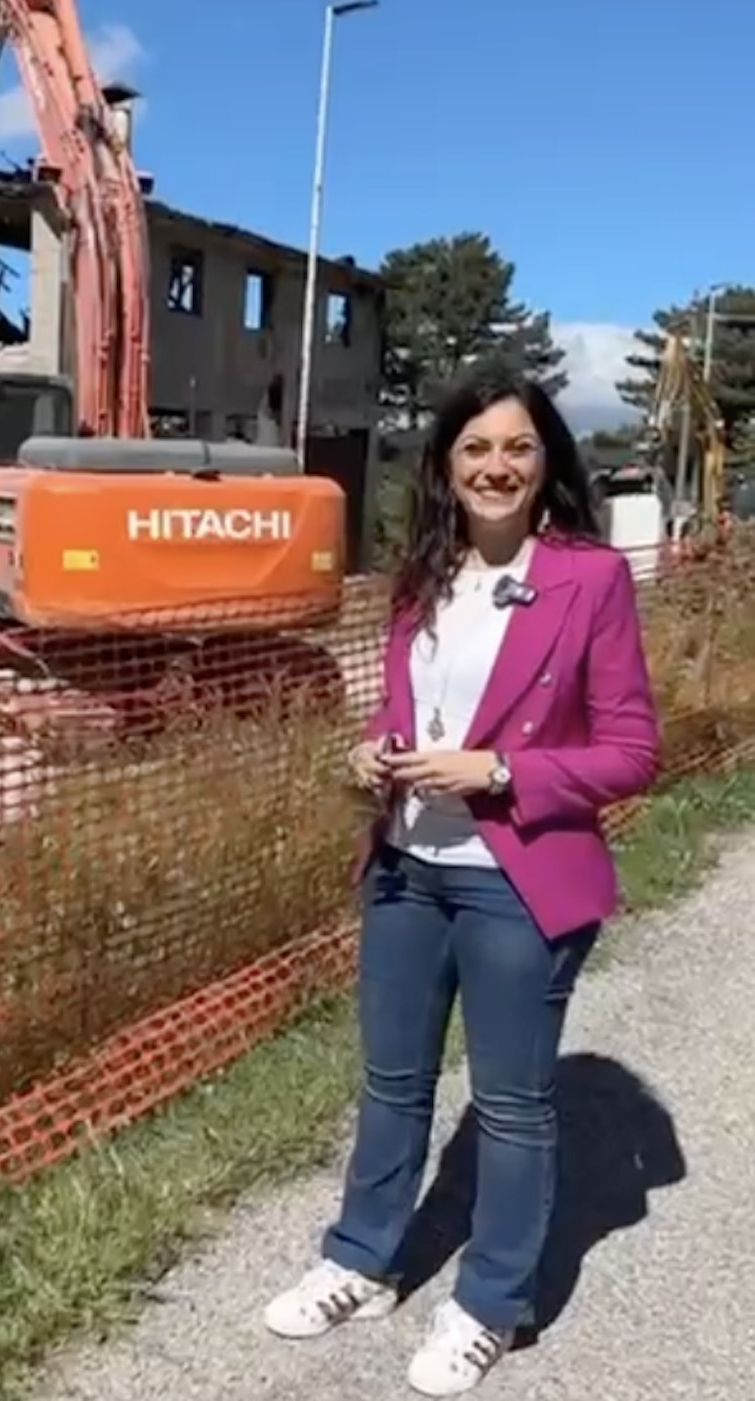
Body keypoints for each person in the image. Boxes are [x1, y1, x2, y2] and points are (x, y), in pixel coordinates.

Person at [264, 368, 660, 1396]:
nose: (496, 466)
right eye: (475, 448)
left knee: (514, 1105)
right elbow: (400, 711)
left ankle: (492, 1302)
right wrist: (371, 752)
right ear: (446, 465)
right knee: (391, 1084)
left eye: (517, 448)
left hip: (515, 885)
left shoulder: (590, 579)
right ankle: (361, 1257)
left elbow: (631, 751)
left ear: (545, 464)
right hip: (404, 872)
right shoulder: (421, 576)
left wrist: (502, 773)